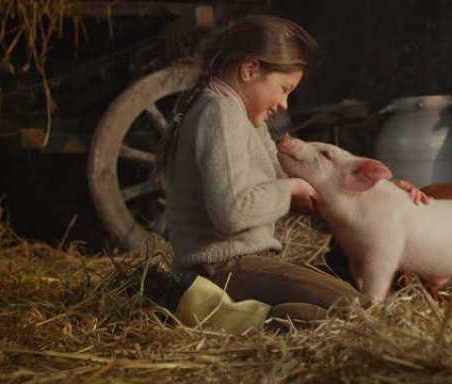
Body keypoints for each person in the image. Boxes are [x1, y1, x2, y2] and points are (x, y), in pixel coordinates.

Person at [157, 15, 428, 330]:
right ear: (249, 70)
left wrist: (383, 192)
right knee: (363, 312)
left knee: (348, 309)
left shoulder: (240, 115)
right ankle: (223, 313)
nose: (284, 103)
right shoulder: (221, 113)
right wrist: (290, 189)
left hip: (240, 266)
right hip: (221, 268)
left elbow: (297, 182)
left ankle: (246, 314)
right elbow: (232, 211)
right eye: (284, 89)